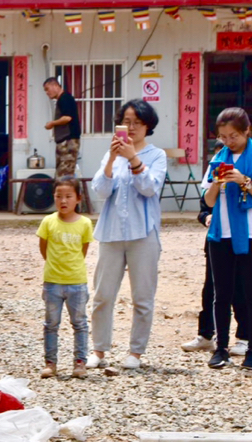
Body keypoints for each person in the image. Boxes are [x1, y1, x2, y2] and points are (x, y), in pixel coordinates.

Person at [88, 99, 166, 370]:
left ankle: (136, 352)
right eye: (126, 121)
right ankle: (98, 350)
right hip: (110, 232)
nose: (131, 127)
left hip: (143, 233)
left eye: (137, 122)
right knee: (102, 294)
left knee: (142, 296)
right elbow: (99, 190)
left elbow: (149, 188)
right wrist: (112, 158)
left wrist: (133, 158)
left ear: (148, 126)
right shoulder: (110, 154)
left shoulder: (156, 155)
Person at [201, 107, 252, 371]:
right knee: (221, 294)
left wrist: (244, 180)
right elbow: (208, 201)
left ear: (247, 130)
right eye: (223, 137)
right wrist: (217, 183)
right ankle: (220, 348)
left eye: (233, 136)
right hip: (220, 235)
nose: (228, 141)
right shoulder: (217, 159)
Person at [37, 177, 93, 379]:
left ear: (78, 198)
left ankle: (80, 362)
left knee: (79, 323)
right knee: (51, 324)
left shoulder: (85, 223)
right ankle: (50, 363)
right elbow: (44, 248)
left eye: (68, 196)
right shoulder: (48, 221)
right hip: (52, 282)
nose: (63, 201)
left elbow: (83, 250)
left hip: (77, 283)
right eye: (58, 196)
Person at [181, 192, 249, 355]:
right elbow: (203, 210)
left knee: (239, 291)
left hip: (240, 240)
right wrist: (206, 218)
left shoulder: (244, 181)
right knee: (210, 291)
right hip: (216, 242)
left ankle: (244, 338)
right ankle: (206, 335)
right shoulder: (213, 183)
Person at [43, 78, 82, 177]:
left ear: (55, 85)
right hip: (63, 141)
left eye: (47, 89)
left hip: (68, 141)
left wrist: (52, 123)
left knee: (65, 174)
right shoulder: (62, 99)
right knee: (61, 173)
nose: (47, 93)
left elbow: (67, 118)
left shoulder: (65, 98)